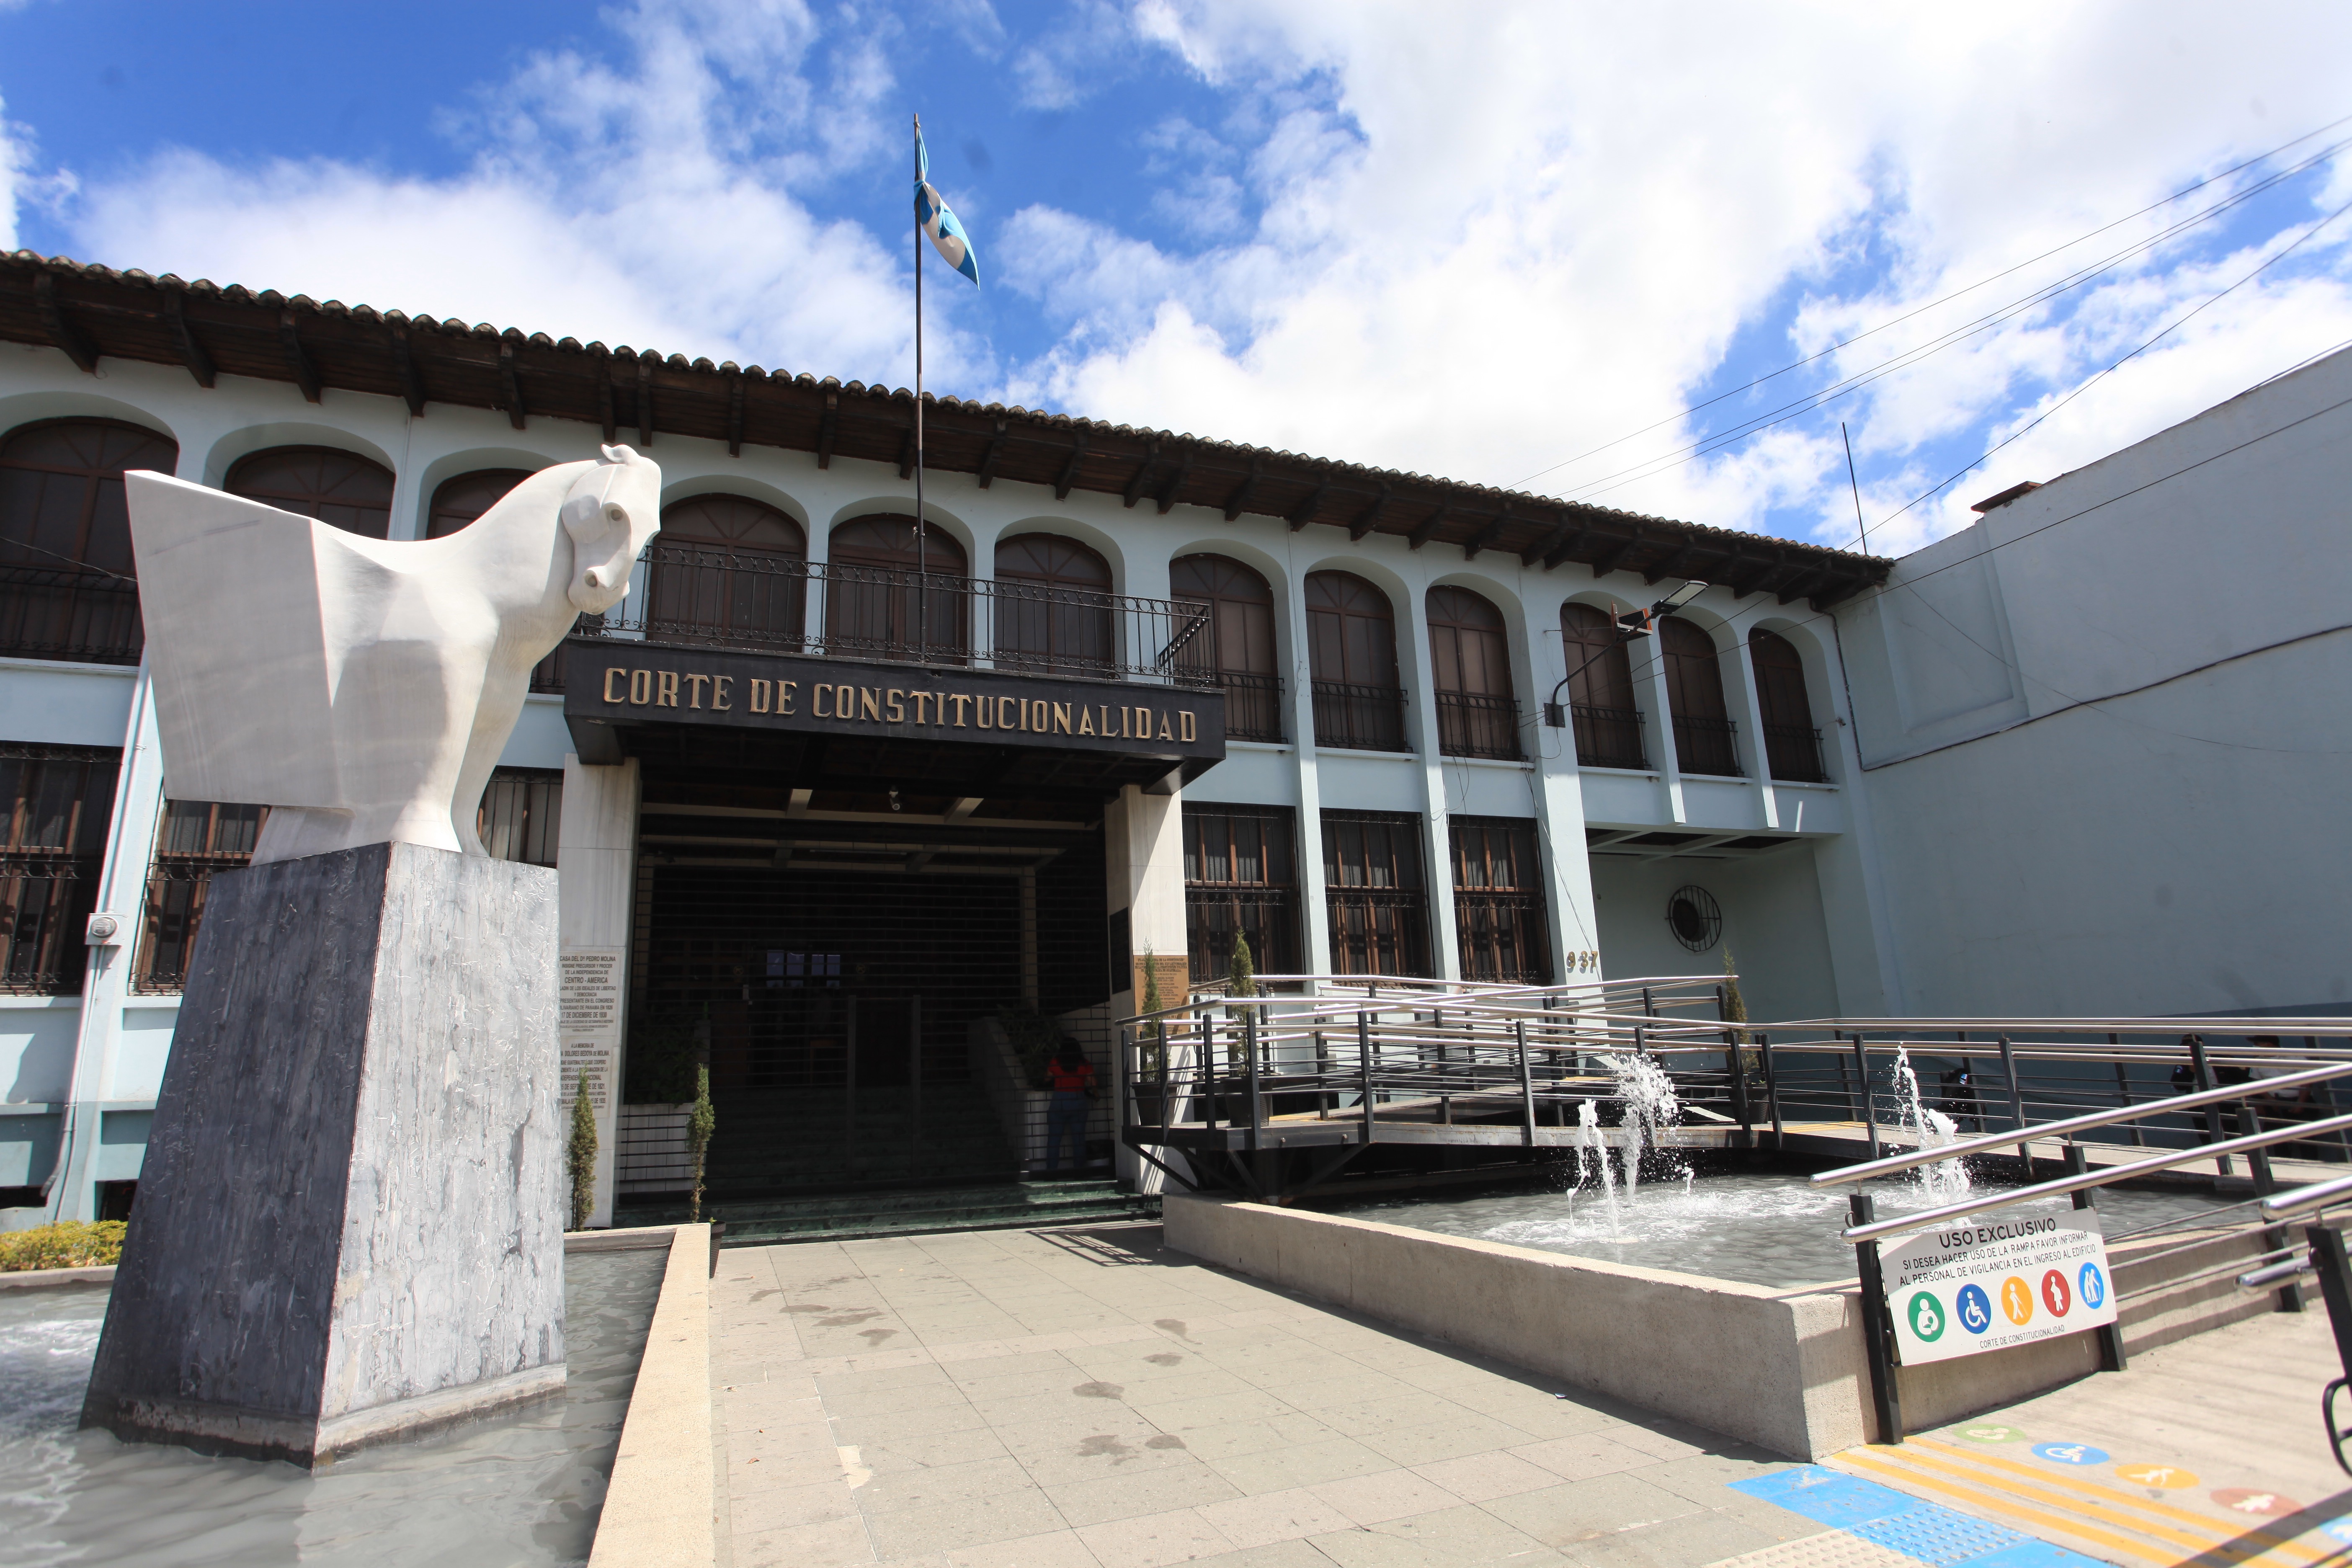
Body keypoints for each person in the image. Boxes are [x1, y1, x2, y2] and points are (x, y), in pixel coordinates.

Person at [1044, 1044, 1096, 1175]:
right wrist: (1096, 1094)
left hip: (1059, 1101)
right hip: (1078, 1101)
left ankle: (1051, 1173)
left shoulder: (1056, 1062)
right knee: (1078, 1140)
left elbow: (1047, 1078)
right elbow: (1093, 1082)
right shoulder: (1084, 1064)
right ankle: (1079, 1173)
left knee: (1054, 1140)